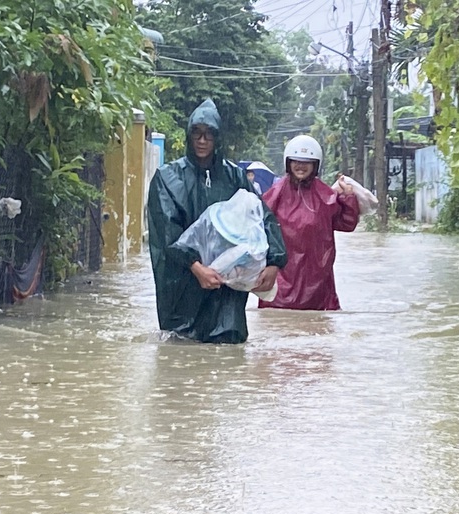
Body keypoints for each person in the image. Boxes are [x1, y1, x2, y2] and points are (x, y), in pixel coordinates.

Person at [147, 99, 287, 343]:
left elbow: (262, 217)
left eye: (209, 135)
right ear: (189, 136)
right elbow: (166, 231)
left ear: (218, 138)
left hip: (226, 286)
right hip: (183, 285)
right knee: (180, 349)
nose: (202, 141)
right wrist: (196, 267)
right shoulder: (167, 178)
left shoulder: (234, 176)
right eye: (197, 134)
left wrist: (274, 262)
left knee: (228, 352)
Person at [259, 135, 359, 311]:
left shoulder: (325, 195)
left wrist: (348, 197)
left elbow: (347, 223)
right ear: (288, 163)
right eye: (296, 161)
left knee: (319, 330)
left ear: (315, 165)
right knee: (277, 323)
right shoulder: (276, 193)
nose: (300, 166)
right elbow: (257, 225)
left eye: (307, 162)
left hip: (317, 279)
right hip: (282, 278)